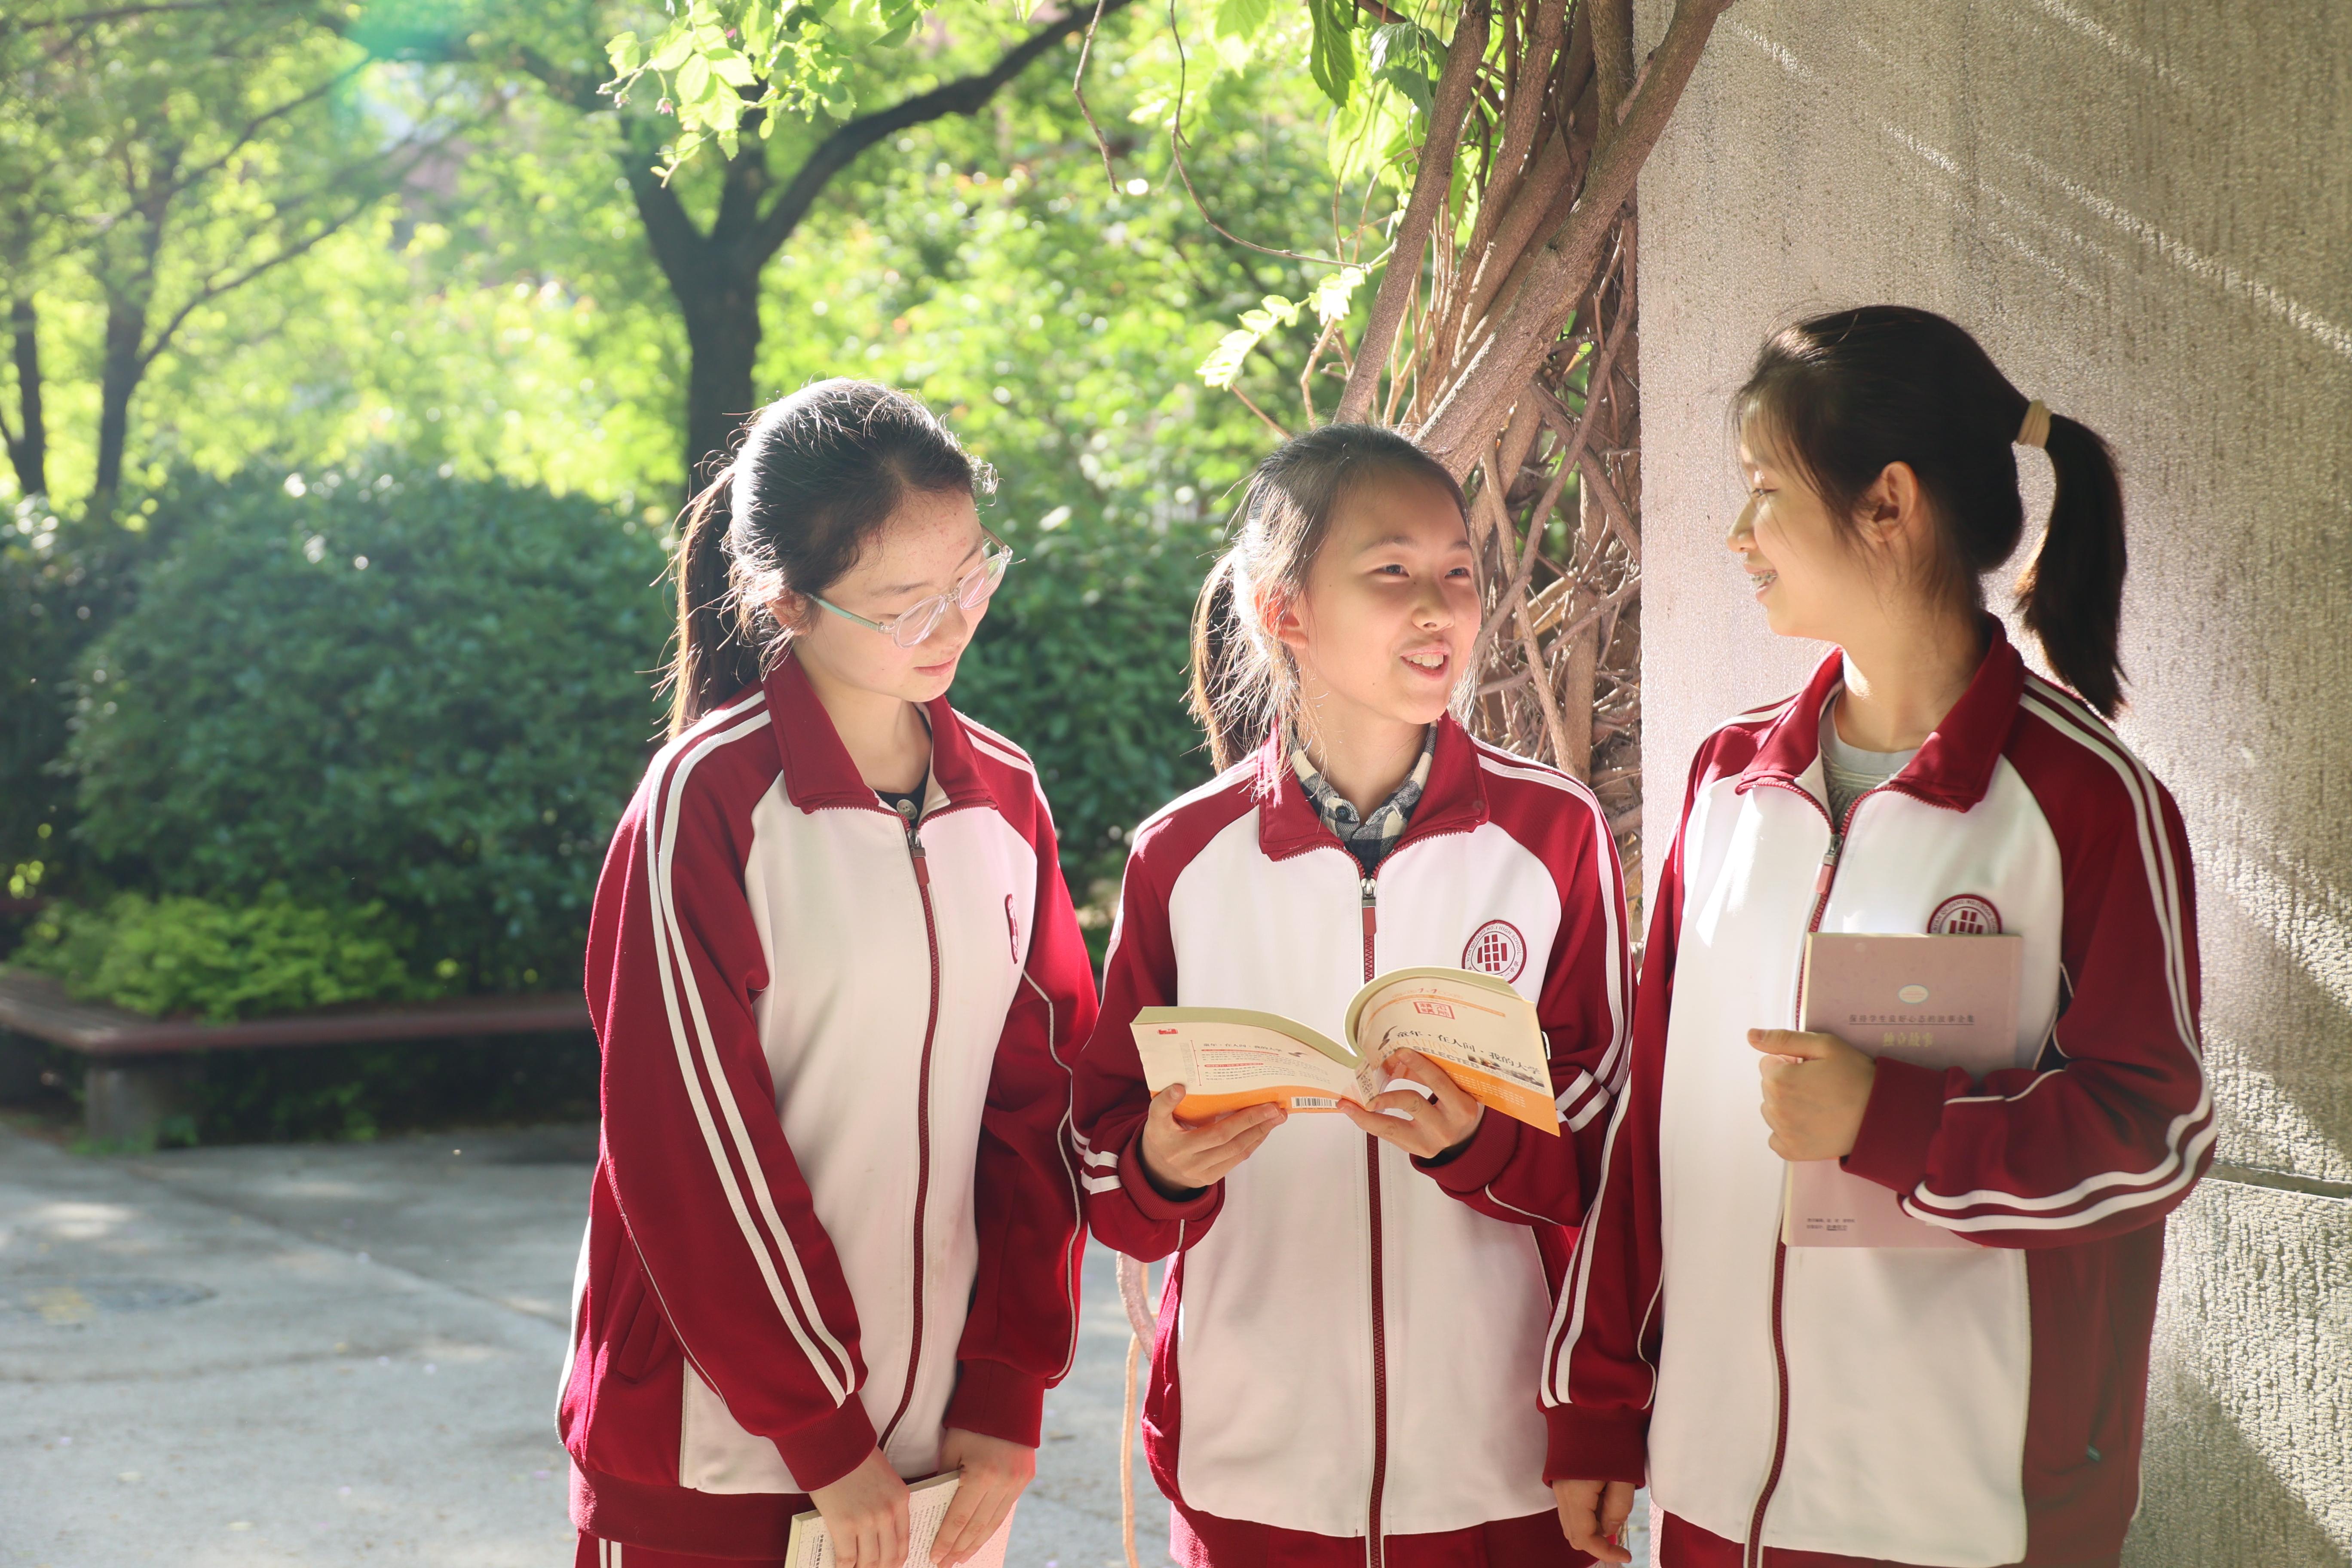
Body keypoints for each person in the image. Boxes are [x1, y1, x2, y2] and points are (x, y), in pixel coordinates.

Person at [1547, 307, 2210, 1568]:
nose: (1737, 535)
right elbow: (1653, 1118)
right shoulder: (1728, 782)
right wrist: (1600, 1401)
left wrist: (1893, 1122)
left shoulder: (2085, 802)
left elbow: (2155, 1133)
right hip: (1718, 1496)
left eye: (1764, 491)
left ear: (1888, 503)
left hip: (1959, 1517)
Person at [1073, 423, 1632, 1567]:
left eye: (1459, 572)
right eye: (1392, 571)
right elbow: (1101, 1162)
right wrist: (1161, 1166)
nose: (1438, 606)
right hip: (1253, 1473)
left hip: (1500, 1466)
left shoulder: (1552, 835)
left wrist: (1480, 1142)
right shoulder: (1181, 859)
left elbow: (1615, 1149)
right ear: (1283, 610)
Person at [560, 380, 1098, 1568]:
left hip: (945, 1453)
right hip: (717, 1452)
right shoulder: (706, 803)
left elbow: (1040, 1111)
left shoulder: (1006, 801)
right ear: (787, 602)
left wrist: (1008, 1389)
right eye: (907, 606)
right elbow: (688, 1144)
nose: (954, 625)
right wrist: (822, 1432)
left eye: (972, 576)